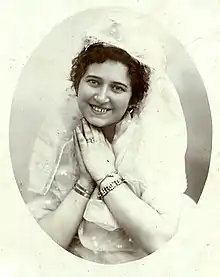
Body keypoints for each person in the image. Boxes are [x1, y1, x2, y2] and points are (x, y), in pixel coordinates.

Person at [26, 38, 196, 264]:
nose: (101, 96)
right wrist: (86, 180)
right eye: (94, 82)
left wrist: (105, 175)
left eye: (117, 88)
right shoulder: (64, 138)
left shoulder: (149, 145)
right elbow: (43, 243)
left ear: (133, 98)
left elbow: (160, 242)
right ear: (78, 85)